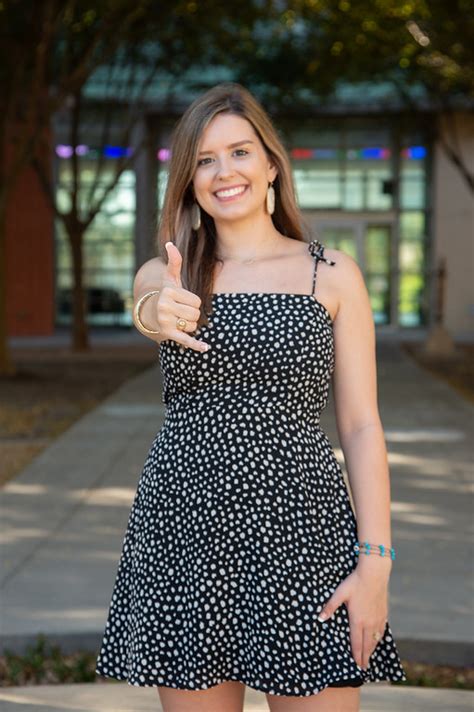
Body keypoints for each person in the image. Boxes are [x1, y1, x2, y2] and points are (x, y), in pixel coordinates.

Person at [95, 82, 406, 712]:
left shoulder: (334, 273)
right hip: (188, 529)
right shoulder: (169, 271)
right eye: (204, 160)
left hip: (307, 532)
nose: (223, 172)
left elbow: (362, 426)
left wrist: (376, 563)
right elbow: (152, 307)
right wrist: (159, 312)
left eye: (239, 151)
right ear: (188, 181)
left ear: (271, 163)